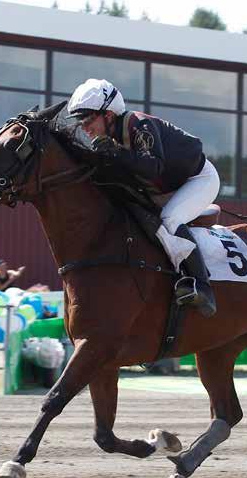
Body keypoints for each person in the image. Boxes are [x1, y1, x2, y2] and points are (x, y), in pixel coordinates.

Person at [66, 78, 219, 317]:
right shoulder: (111, 139)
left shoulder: (140, 124)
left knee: (169, 219)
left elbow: (152, 168)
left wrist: (115, 152)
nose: (84, 126)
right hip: (167, 187)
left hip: (199, 179)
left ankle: (202, 286)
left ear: (108, 115)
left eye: (87, 118)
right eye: (80, 120)